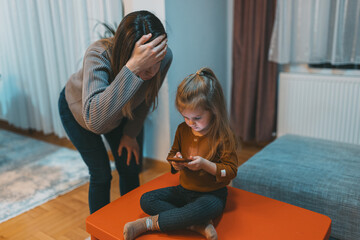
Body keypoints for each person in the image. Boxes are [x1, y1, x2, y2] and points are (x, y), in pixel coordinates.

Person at [58, 10, 172, 214]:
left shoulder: (163, 57)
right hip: (79, 110)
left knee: (130, 167)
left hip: (121, 112)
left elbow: (145, 100)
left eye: (156, 64)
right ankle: (99, 234)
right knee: (101, 174)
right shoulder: (98, 54)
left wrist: (130, 134)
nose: (152, 72)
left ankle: (131, 225)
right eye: (144, 67)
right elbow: (96, 120)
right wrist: (133, 68)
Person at [123, 67, 240, 240]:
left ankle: (148, 224)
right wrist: (175, 163)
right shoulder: (182, 130)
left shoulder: (222, 135)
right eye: (186, 117)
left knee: (205, 207)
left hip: (211, 195)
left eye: (197, 118)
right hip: (184, 191)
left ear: (213, 109)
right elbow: (172, 154)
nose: (191, 123)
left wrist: (205, 165)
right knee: (147, 199)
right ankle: (198, 224)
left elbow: (230, 171)